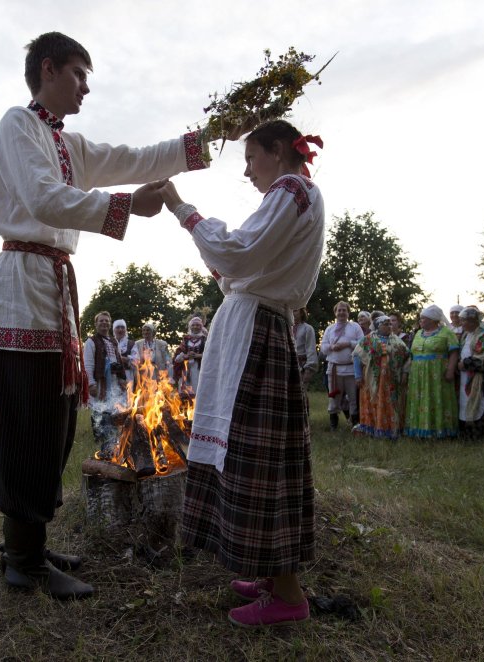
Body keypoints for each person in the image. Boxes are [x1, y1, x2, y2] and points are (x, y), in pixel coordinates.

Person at [0, 32, 212, 600]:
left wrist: (206, 139)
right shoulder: (17, 127)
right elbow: (44, 199)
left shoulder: (66, 143)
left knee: (51, 422)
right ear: (47, 69)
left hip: (50, 291)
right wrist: (126, 206)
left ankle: (30, 543)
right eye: (78, 73)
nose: (86, 86)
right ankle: (21, 559)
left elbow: (136, 159)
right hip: (22, 288)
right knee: (27, 420)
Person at [156, 119, 325, 627]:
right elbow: (235, 268)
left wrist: (183, 210)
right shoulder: (292, 196)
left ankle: (288, 595)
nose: (247, 171)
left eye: (251, 158)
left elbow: (236, 252)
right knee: (251, 452)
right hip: (251, 329)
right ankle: (273, 576)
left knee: (258, 459)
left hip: (257, 337)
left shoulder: (292, 188)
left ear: (277, 151)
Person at [404, 305, 460, 438]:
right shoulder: (418, 333)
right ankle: (419, 429)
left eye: (424, 318)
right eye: (421, 318)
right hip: (418, 374)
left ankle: (439, 430)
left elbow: (454, 352)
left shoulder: (447, 333)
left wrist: (450, 370)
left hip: (437, 373)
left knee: (437, 398)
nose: (420, 320)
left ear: (433, 320)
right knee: (420, 398)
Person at [352, 316, 410, 439]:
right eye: (386, 324)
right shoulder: (368, 340)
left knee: (391, 404)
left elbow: (408, 357)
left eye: (390, 324)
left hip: (392, 382)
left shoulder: (397, 341)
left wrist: (405, 373)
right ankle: (372, 428)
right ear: (378, 326)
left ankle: (391, 430)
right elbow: (357, 356)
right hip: (372, 381)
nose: (389, 326)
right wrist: (357, 376)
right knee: (373, 403)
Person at [83, 310, 127, 455]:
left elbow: (119, 360)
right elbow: (88, 364)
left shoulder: (114, 341)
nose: (104, 323)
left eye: (106, 321)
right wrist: (91, 383)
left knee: (113, 407)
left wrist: (121, 378)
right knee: (99, 408)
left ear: (109, 324)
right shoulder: (91, 341)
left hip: (113, 381)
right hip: (100, 381)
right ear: (96, 324)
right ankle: (99, 437)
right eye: (101, 320)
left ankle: (112, 437)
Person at [321, 301, 364, 430]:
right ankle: (334, 426)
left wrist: (348, 344)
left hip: (351, 369)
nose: (341, 312)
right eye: (339, 310)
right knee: (334, 399)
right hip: (334, 369)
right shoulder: (330, 329)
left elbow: (363, 343)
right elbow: (323, 347)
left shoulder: (355, 327)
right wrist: (332, 347)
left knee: (353, 398)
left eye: (344, 310)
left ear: (348, 312)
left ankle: (354, 425)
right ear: (335, 313)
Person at [456, 307, 484, 439]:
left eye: (464, 321)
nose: (462, 324)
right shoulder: (466, 336)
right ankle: (466, 432)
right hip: (465, 377)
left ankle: (480, 433)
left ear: (473, 321)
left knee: (478, 403)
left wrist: (466, 363)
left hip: (479, 379)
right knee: (465, 401)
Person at [173, 316, 207, 396]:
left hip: (199, 368)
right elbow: (178, 354)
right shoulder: (186, 339)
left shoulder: (205, 339)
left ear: (201, 327)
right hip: (186, 367)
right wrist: (185, 356)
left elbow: (210, 354)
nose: (195, 327)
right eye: (193, 325)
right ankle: (186, 406)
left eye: (198, 325)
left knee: (198, 387)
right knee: (185, 389)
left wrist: (198, 355)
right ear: (190, 326)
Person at [292, 308, 318, 389]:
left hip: (301, 366)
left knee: (300, 393)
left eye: (295, 310)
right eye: (291, 310)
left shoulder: (308, 328)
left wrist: (309, 369)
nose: (293, 312)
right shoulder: (286, 327)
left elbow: (311, 349)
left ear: (301, 313)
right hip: (287, 363)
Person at [112, 318, 134, 384]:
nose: (120, 329)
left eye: (122, 327)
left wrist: (125, 359)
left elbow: (136, 360)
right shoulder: (109, 342)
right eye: (117, 327)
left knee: (127, 393)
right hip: (113, 375)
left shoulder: (131, 343)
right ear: (114, 330)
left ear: (125, 330)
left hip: (128, 375)